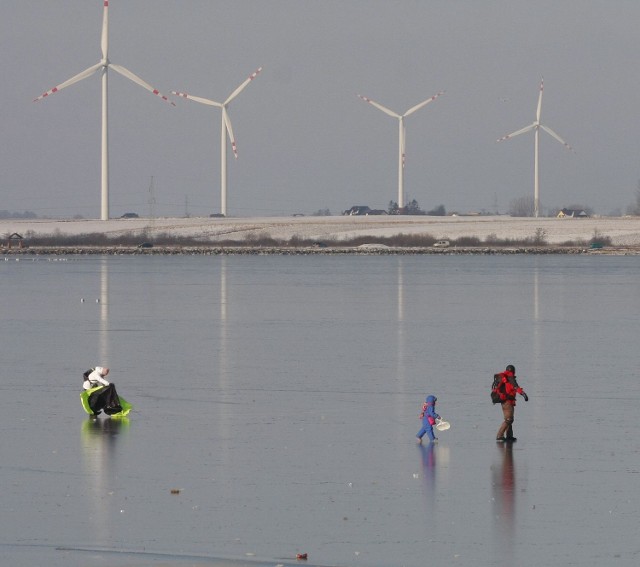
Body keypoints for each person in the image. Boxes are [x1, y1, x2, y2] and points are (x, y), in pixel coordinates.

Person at [495, 364, 528, 442]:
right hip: (507, 402)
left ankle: (509, 436)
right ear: (513, 371)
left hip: (504, 401)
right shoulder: (510, 378)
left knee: (509, 418)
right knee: (509, 419)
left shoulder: (504, 378)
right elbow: (516, 387)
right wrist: (523, 394)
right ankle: (499, 435)